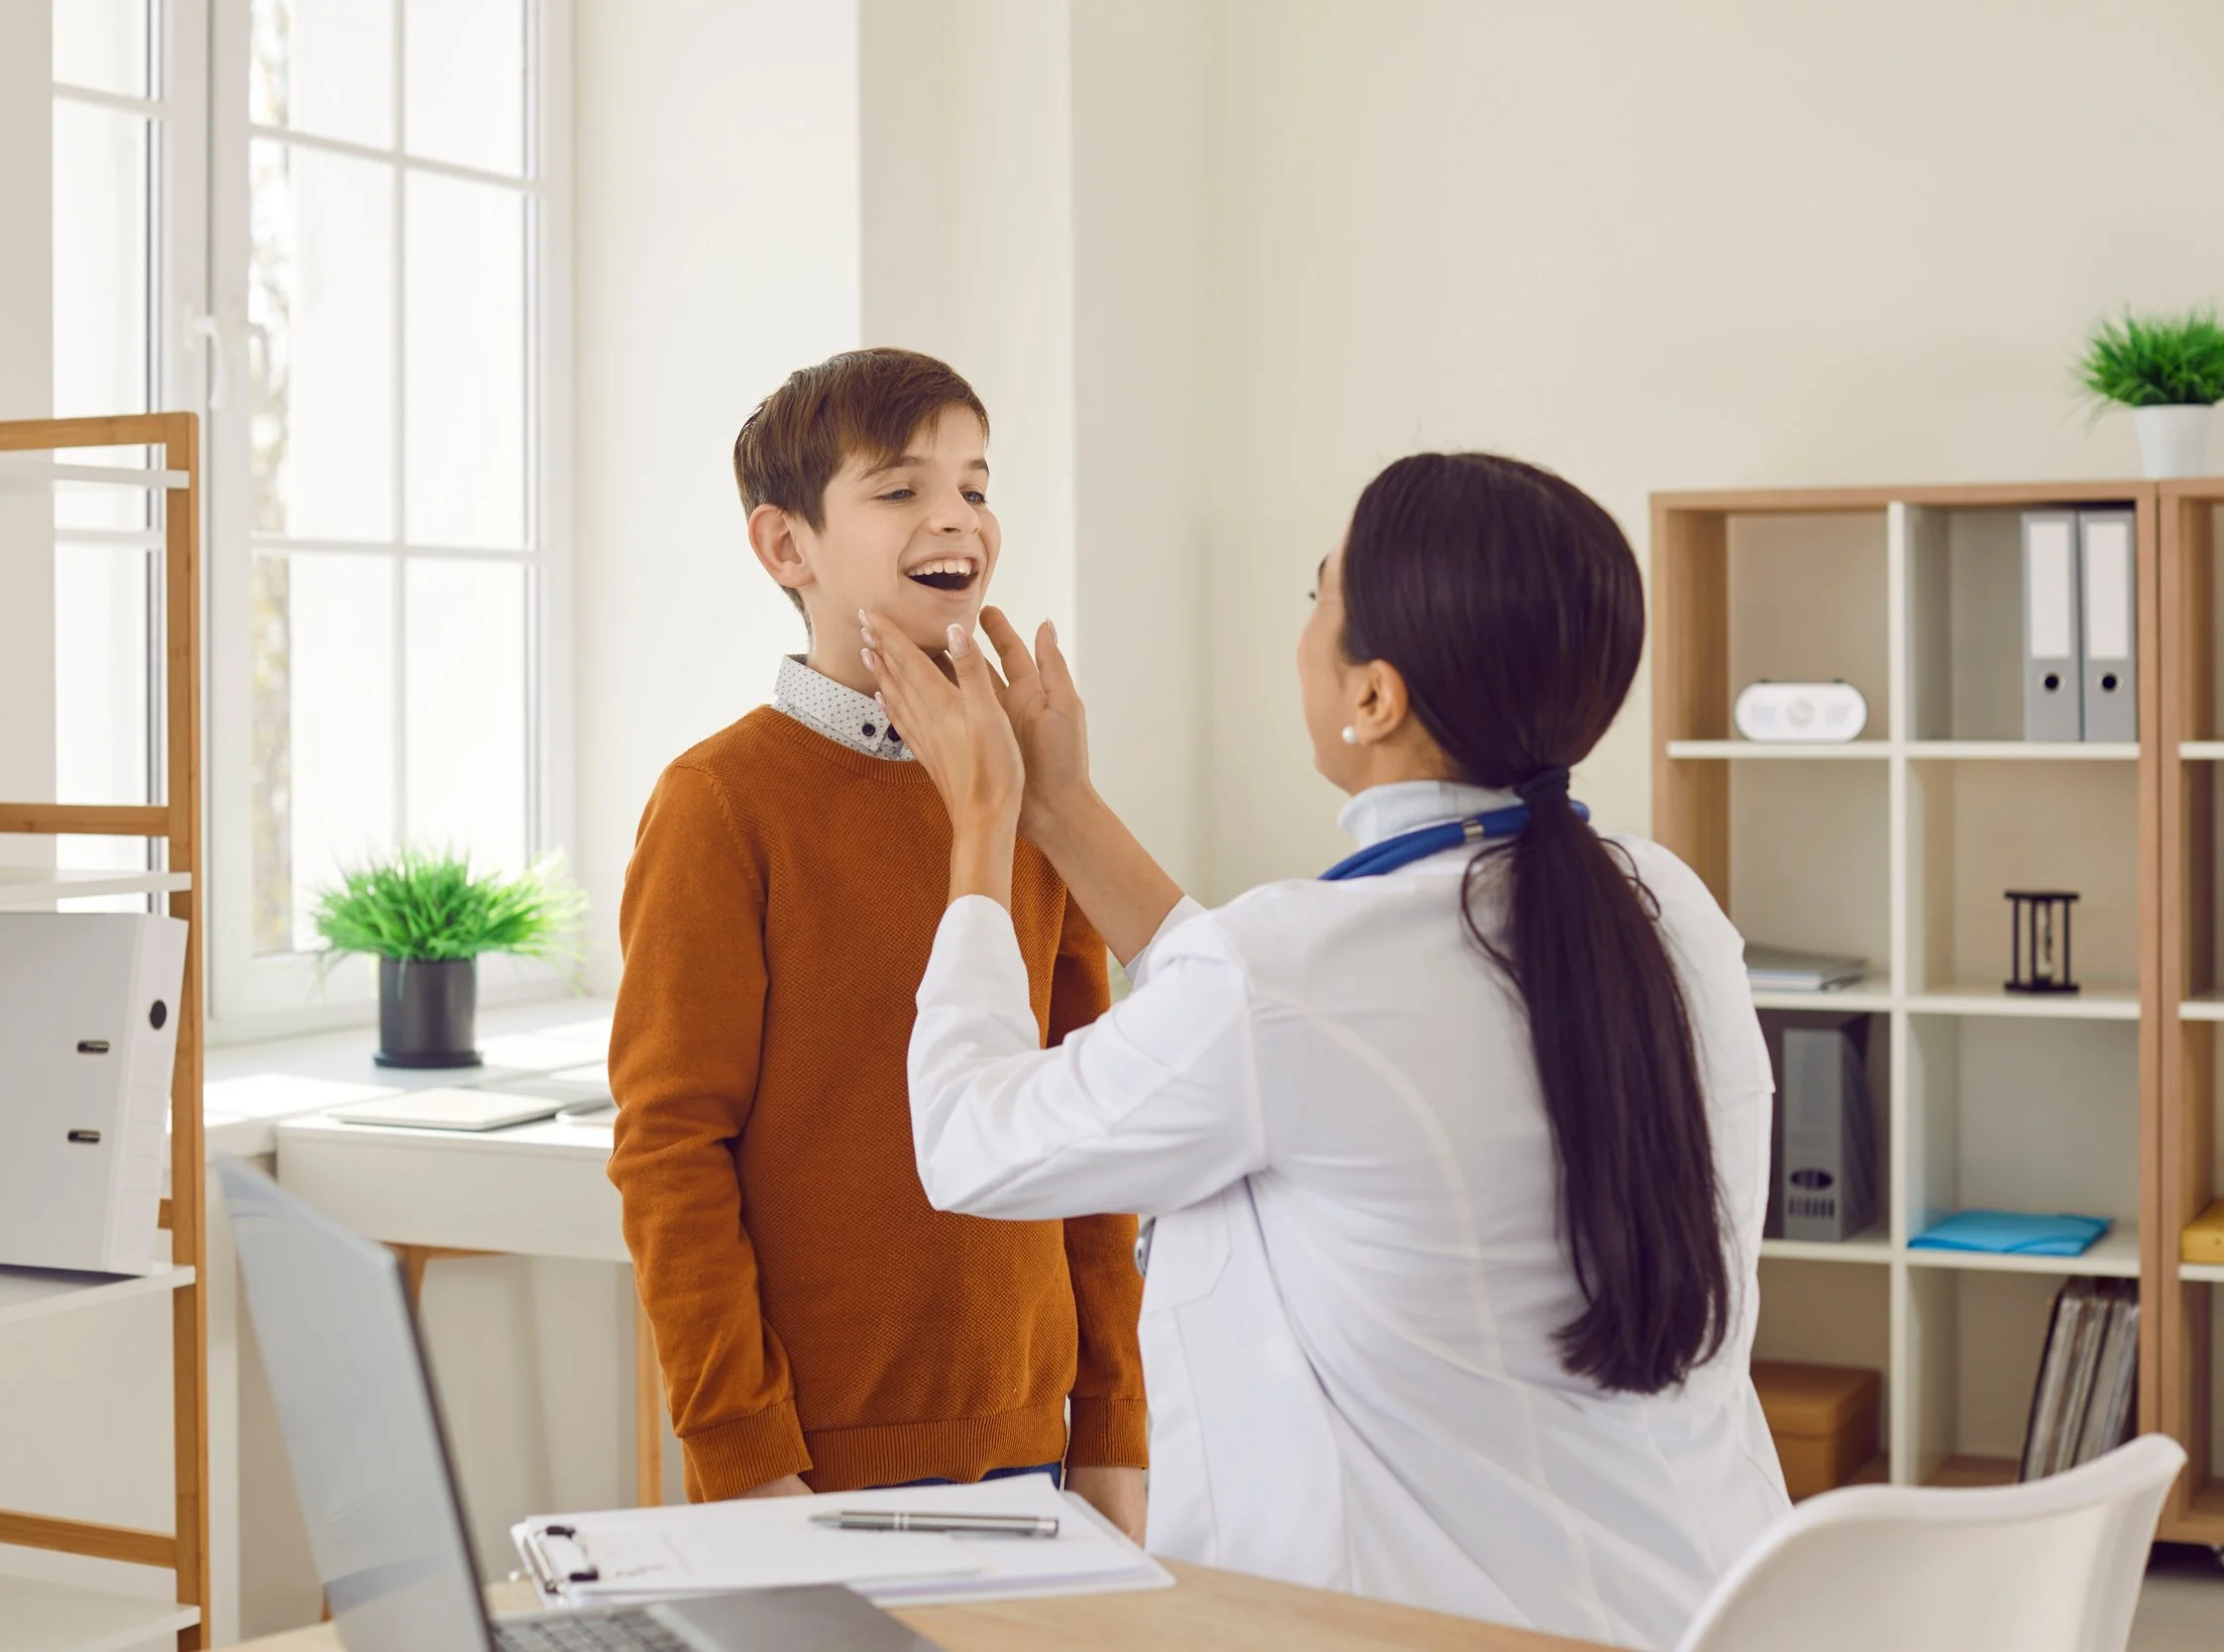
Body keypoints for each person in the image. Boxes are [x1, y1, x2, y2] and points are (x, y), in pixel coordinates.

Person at [860, 451, 1789, 1648]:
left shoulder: (1296, 977)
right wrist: (1059, 806)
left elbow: (969, 1140)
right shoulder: (1667, 908)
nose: (1302, 631)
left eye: (1316, 597)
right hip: (1703, 1606)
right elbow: (1277, 1025)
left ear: (1374, 697)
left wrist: (982, 823)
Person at [606, 348, 1148, 1536]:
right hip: (810, 1466)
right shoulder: (719, 802)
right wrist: (747, 1460)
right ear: (785, 547)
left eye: (974, 484)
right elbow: (669, 1155)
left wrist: (1113, 1425)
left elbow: (1091, 1131)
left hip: (1039, 1451)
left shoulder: (1030, 792)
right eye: (900, 488)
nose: (954, 514)